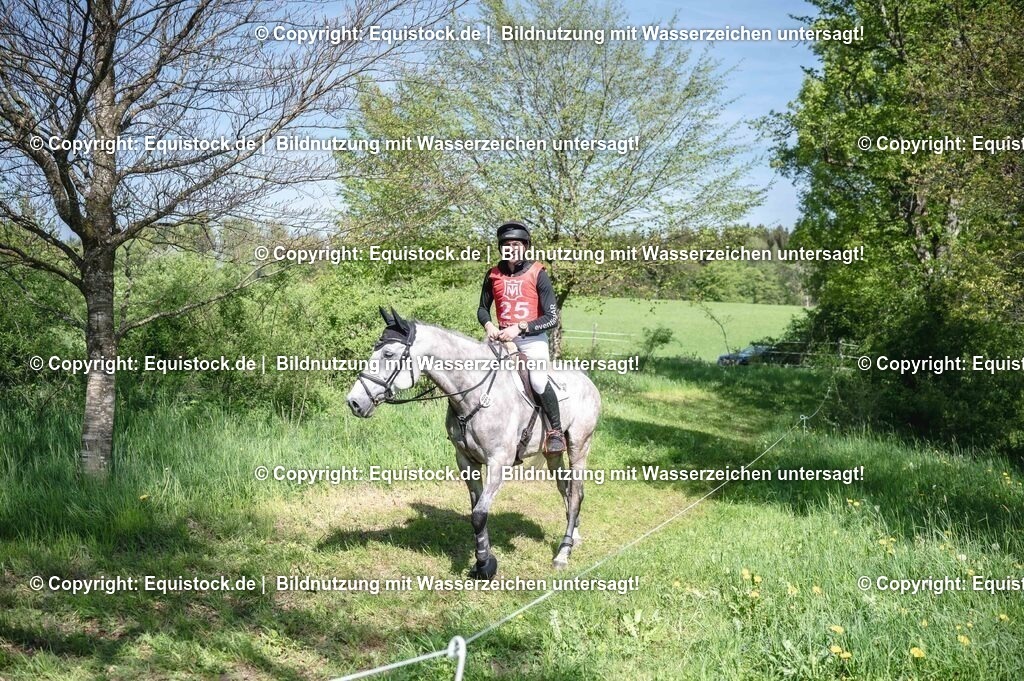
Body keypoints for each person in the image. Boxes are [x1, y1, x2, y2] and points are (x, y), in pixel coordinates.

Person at [477, 220, 565, 455]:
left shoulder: (538, 273)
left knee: (536, 380)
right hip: (501, 340)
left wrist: (521, 327)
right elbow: (483, 309)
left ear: (525, 247)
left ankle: (554, 432)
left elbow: (551, 318)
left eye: (515, 244)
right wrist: (488, 325)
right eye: (506, 244)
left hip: (532, 339)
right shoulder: (493, 274)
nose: (511, 248)